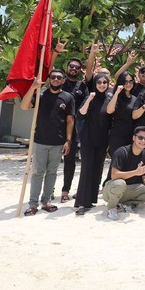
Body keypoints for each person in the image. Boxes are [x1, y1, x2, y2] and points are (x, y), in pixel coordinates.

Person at [21, 70, 75, 216]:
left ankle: (46, 202)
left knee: (52, 173)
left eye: (59, 77)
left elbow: (70, 120)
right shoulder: (41, 96)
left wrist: (68, 140)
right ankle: (33, 204)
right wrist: (33, 87)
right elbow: (24, 106)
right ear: (49, 79)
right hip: (40, 141)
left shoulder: (68, 97)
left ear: (63, 80)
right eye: (53, 77)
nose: (56, 79)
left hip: (58, 142)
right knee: (38, 173)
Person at [102, 126, 145, 220]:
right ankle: (112, 208)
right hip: (111, 189)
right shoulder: (122, 152)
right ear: (134, 138)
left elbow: (144, 175)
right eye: (140, 137)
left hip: (130, 190)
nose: (143, 141)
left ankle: (126, 204)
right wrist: (135, 172)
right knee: (120, 183)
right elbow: (114, 175)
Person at [74, 73, 112, 215]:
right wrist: (89, 99)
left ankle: (90, 200)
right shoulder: (89, 98)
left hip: (102, 141)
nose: (102, 85)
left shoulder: (109, 99)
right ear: (95, 84)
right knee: (86, 170)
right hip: (88, 140)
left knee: (97, 170)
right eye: (99, 82)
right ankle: (81, 203)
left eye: (105, 82)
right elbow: (80, 114)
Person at [59, 56, 89, 203]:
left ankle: (65, 190)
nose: (74, 69)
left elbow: (85, 106)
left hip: (76, 127)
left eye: (77, 67)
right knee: (50, 161)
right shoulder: (59, 81)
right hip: (57, 126)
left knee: (70, 160)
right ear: (67, 67)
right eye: (72, 66)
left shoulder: (82, 86)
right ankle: (49, 190)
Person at [107, 72, 138, 157]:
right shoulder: (117, 97)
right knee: (116, 162)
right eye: (125, 81)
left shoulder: (135, 98)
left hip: (131, 135)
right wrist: (117, 93)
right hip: (118, 135)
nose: (128, 84)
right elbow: (109, 111)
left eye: (131, 81)